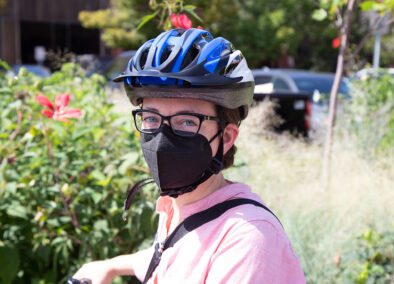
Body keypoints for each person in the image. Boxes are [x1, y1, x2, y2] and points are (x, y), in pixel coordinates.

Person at [73, 28, 306, 284]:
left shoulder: (247, 239)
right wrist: (111, 265)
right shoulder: (178, 208)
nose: (162, 138)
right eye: (151, 118)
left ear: (226, 137)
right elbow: (171, 257)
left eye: (186, 122)